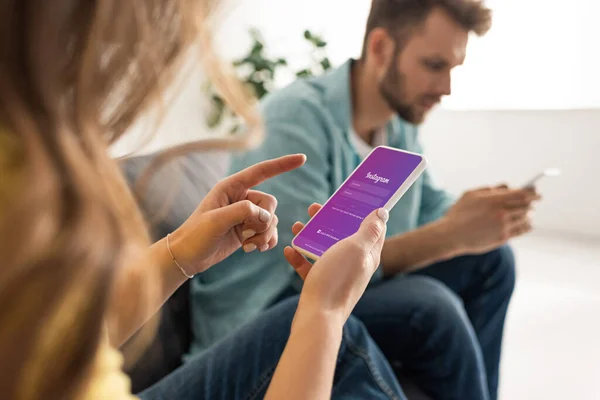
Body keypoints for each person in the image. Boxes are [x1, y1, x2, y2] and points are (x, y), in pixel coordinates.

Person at [0, 1, 411, 399]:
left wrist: (180, 252)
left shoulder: (22, 166)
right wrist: (325, 310)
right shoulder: (30, 196)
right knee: (380, 324)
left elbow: (62, 340)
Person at [189, 1, 541, 400]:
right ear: (380, 48)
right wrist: (451, 236)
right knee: (431, 307)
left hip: (338, 284)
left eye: (452, 69)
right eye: (433, 65)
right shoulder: (295, 120)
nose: (446, 88)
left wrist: (476, 212)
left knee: (493, 261)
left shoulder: (396, 125)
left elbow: (429, 206)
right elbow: (307, 263)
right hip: (270, 306)